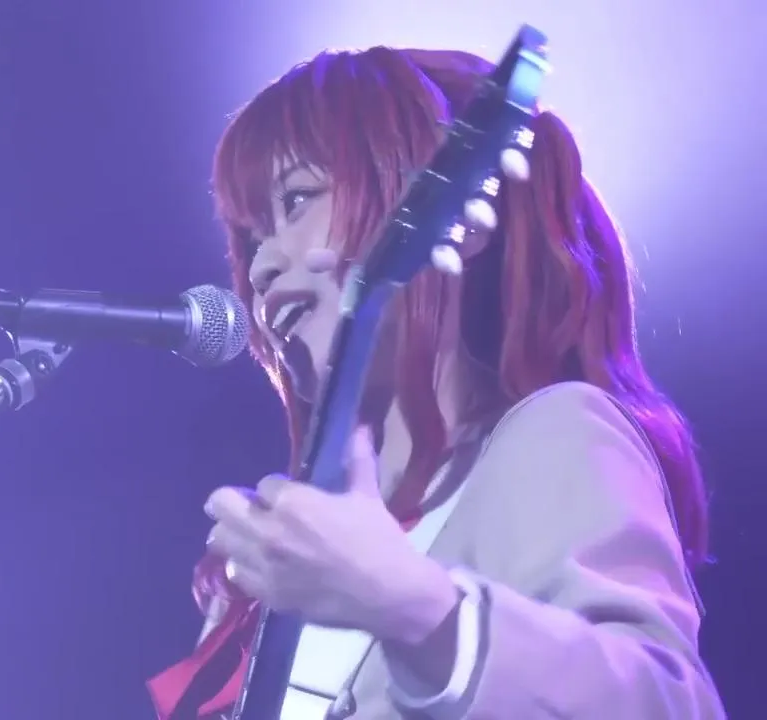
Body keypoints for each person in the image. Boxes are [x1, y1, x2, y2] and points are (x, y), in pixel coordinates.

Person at [146, 45, 726, 719]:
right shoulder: (272, 565)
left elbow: (667, 704)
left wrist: (411, 605)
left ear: (457, 222)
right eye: (250, 239)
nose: (261, 266)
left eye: (297, 200)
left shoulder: (556, 434)